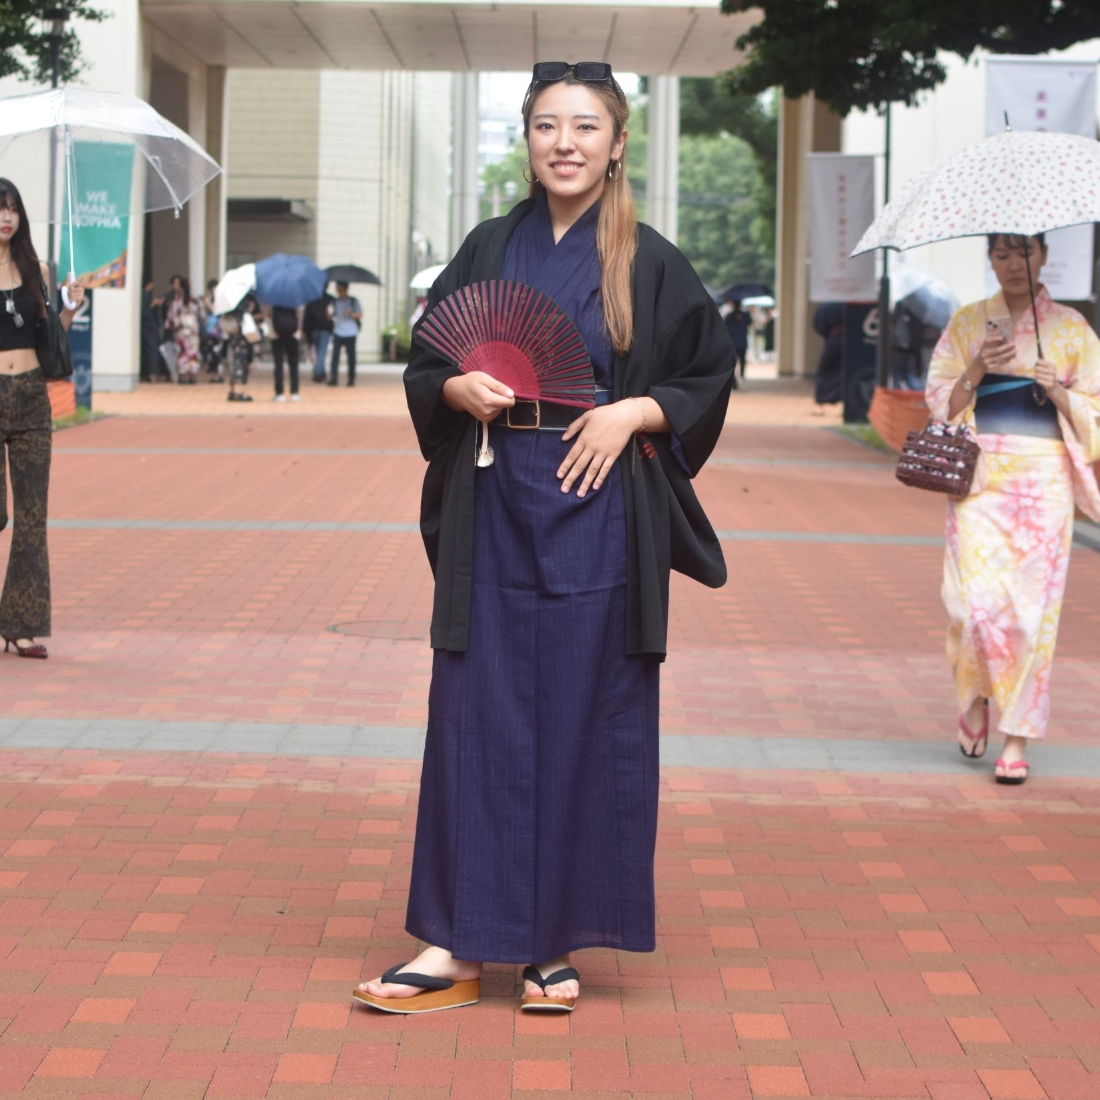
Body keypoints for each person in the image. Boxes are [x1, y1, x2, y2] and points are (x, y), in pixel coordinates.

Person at [353, 62, 733, 1015]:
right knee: (474, 714)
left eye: (586, 126)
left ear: (616, 143)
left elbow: (706, 375)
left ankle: (549, 944)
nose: (565, 143)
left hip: (597, 506)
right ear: (526, 141)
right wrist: (452, 388)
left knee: (582, 712)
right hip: (494, 503)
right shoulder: (488, 246)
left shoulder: (647, 258)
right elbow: (428, 356)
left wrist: (636, 410)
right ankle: (450, 939)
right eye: (546, 126)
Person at [926, 233, 1100, 784]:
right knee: (968, 602)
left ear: (1044, 255)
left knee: (1031, 614)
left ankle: (1018, 734)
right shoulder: (968, 322)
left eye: (1023, 252)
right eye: (1001, 254)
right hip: (980, 478)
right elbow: (940, 405)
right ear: (990, 260)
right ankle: (975, 693)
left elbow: (1094, 408)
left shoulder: (1072, 328)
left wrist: (1060, 392)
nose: (1013, 265)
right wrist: (976, 367)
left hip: (1042, 480)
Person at [0, 177, 84, 659]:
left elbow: (51, 339)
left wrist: (69, 305)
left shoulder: (40, 270)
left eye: (13, 208)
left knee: (33, 517)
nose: (6, 216)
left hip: (32, 398)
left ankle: (22, 625)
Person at [165, 274, 201, 384]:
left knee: (184, 352)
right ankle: (191, 375)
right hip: (192, 331)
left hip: (183, 330)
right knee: (191, 353)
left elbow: (172, 317)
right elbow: (201, 316)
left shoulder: (177, 302)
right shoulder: (193, 300)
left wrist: (172, 325)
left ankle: (184, 375)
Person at [811, 302, 844, 414]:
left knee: (824, 371)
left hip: (832, 340)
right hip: (850, 341)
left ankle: (821, 404)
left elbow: (818, 324)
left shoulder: (827, 306)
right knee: (846, 372)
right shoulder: (851, 304)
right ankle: (844, 403)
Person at [329, 282, 361, 386]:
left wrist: (350, 313)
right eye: (338, 289)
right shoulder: (334, 302)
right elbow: (331, 315)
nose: (340, 292)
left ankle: (351, 379)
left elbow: (360, 314)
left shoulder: (352, 301)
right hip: (338, 331)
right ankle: (333, 378)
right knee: (335, 357)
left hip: (351, 332)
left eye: (341, 289)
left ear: (346, 289)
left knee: (351, 357)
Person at [269, 304, 301, 402]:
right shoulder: (293, 303)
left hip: (278, 336)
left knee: (278, 364)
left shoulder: (275, 304)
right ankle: (294, 392)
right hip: (292, 336)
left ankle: (279, 393)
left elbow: (272, 318)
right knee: (294, 365)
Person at [303, 290, 334, 383]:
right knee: (321, 353)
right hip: (324, 329)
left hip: (314, 329)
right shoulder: (330, 299)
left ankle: (321, 373)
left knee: (319, 352)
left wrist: (306, 330)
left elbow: (307, 316)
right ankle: (318, 372)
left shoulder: (311, 299)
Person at [724, 299, 749, 382]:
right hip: (742, 342)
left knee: (733, 362)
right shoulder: (745, 315)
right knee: (742, 360)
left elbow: (725, 328)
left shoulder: (729, 316)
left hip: (733, 342)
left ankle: (734, 379)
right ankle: (741, 375)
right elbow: (750, 324)